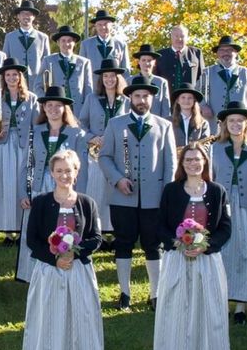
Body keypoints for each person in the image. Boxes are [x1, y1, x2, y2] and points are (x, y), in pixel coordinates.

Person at [153, 142, 233, 350]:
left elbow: (225, 228)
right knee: (179, 316)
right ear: (182, 164)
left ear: (205, 162)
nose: (193, 164)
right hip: (178, 261)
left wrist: (205, 246)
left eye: (197, 160)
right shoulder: (171, 191)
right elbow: (161, 226)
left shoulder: (218, 192)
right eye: (188, 160)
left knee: (208, 317)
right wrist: (180, 244)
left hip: (207, 263)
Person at [20, 150, 104, 350]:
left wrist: (72, 256)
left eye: (69, 170)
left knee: (78, 320)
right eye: (59, 171)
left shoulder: (87, 203)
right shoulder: (42, 202)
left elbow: (96, 238)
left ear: (76, 172)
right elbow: (32, 240)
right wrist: (54, 259)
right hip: (50, 272)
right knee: (51, 319)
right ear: (52, 173)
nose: (64, 175)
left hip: (78, 271)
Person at [99, 75, 177, 311]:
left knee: (154, 245)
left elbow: (171, 163)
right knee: (123, 243)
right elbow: (104, 157)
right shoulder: (115, 124)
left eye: (146, 96)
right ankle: (124, 293)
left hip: (154, 198)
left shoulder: (164, 126)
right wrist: (118, 179)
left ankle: (155, 294)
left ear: (151, 98)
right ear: (130, 97)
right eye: (137, 96)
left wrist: (166, 195)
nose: (142, 100)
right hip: (123, 196)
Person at [16, 87, 90, 283]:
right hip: (40, 186)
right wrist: (23, 192)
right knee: (38, 227)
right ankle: (34, 273)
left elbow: (82, 169)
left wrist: (77, 197)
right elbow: (26, 164)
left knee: (63, 226)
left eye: (58, 105)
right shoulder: (36, 131)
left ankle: (64, 261)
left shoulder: (77, 134)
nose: (54, 109)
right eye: (49, 105)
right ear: (44, 108)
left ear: (65, 108)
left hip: (66, 188)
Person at [211, 101, 247, 324]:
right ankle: (222, 301)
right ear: (225, 124)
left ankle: (241, 306)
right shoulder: (215, 148)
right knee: (223, 253)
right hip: (223, 209)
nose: (236, 124)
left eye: (240, 121)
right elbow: (211, 180)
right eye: (231, 121)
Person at [0, 61, 40, 244]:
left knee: (21, 185)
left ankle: (21, 228)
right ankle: (7, 230)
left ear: (20, 77)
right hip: (2, 147)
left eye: (15, 75)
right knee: (3, 184)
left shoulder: (31, 98)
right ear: (4, 78)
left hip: (23, 146)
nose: (11, 78)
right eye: (8, 75)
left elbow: (37, 124)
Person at [77, 61, 129, 236]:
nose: (109, 79)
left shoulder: (126, 100)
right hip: (96, 151)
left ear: (118, 78)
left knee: (113, 192)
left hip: (119, 152)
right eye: (105, 76)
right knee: (96, 190)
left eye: (112, 76)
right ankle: (95, 230)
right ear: (101, 79)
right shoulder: (92, 98)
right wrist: (93, 137)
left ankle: (113, 232)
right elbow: (81, 123)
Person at [200, 36, 247, 129]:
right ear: (217, 53)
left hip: (240, 130)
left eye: (229, 50)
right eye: (222, 50)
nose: (226, 53)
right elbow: (196, 97)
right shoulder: (206, 73)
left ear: (236, 53)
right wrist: (202, 106)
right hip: (213, 128)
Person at [38, 26, 93, 114]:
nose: (66, 44)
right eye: (63, 41)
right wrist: (48, 101)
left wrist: (86, 109)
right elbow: (37, 86)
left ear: (74, 43)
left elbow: (88, 90)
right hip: (56, 110)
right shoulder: (48, 60)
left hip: (78, 110)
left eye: (69, 41)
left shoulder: (84, 62)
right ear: (58, 42)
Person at [3, 1, 51, 77]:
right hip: (15, 83)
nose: (26, 16)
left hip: (36, 84)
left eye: (29, 13)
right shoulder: (9, 37)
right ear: (18, 16)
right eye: (23, 13)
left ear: (33, 17)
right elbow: (5, 62)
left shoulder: (43, 38)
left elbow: (47, 64)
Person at [129, 45, 173, 120]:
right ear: (139, 62)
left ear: (154, 62)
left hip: (156, 125)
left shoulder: (161, 83)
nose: (146, 63)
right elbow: (126, 106)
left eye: (149, 60)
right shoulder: (129, 81)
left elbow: (166, 109)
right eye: (143, 60)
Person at [153, 25, 203, 90]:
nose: (179, 39)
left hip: (189, 98)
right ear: (171, 37)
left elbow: (202, 78)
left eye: (182, 36)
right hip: (167, 98)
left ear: (187, 37)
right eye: (176, 36)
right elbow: (155, 80)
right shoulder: (160, 55)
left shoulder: (196, 53)